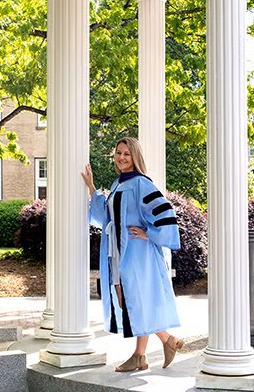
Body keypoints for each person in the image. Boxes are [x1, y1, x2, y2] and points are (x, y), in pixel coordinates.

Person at [81, 137, 185, 372]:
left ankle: (166, 341)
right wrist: (92, 189)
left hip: (136, 251)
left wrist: (149, 233)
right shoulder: (119, 183)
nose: (121, 157)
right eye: (118, 153)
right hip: (118, 250)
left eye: (127, 154)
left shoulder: (141, 183)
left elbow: (165, 213)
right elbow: (105, 216)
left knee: (132, 299)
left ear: (135, 157)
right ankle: (142, 355)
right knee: (130, 298)